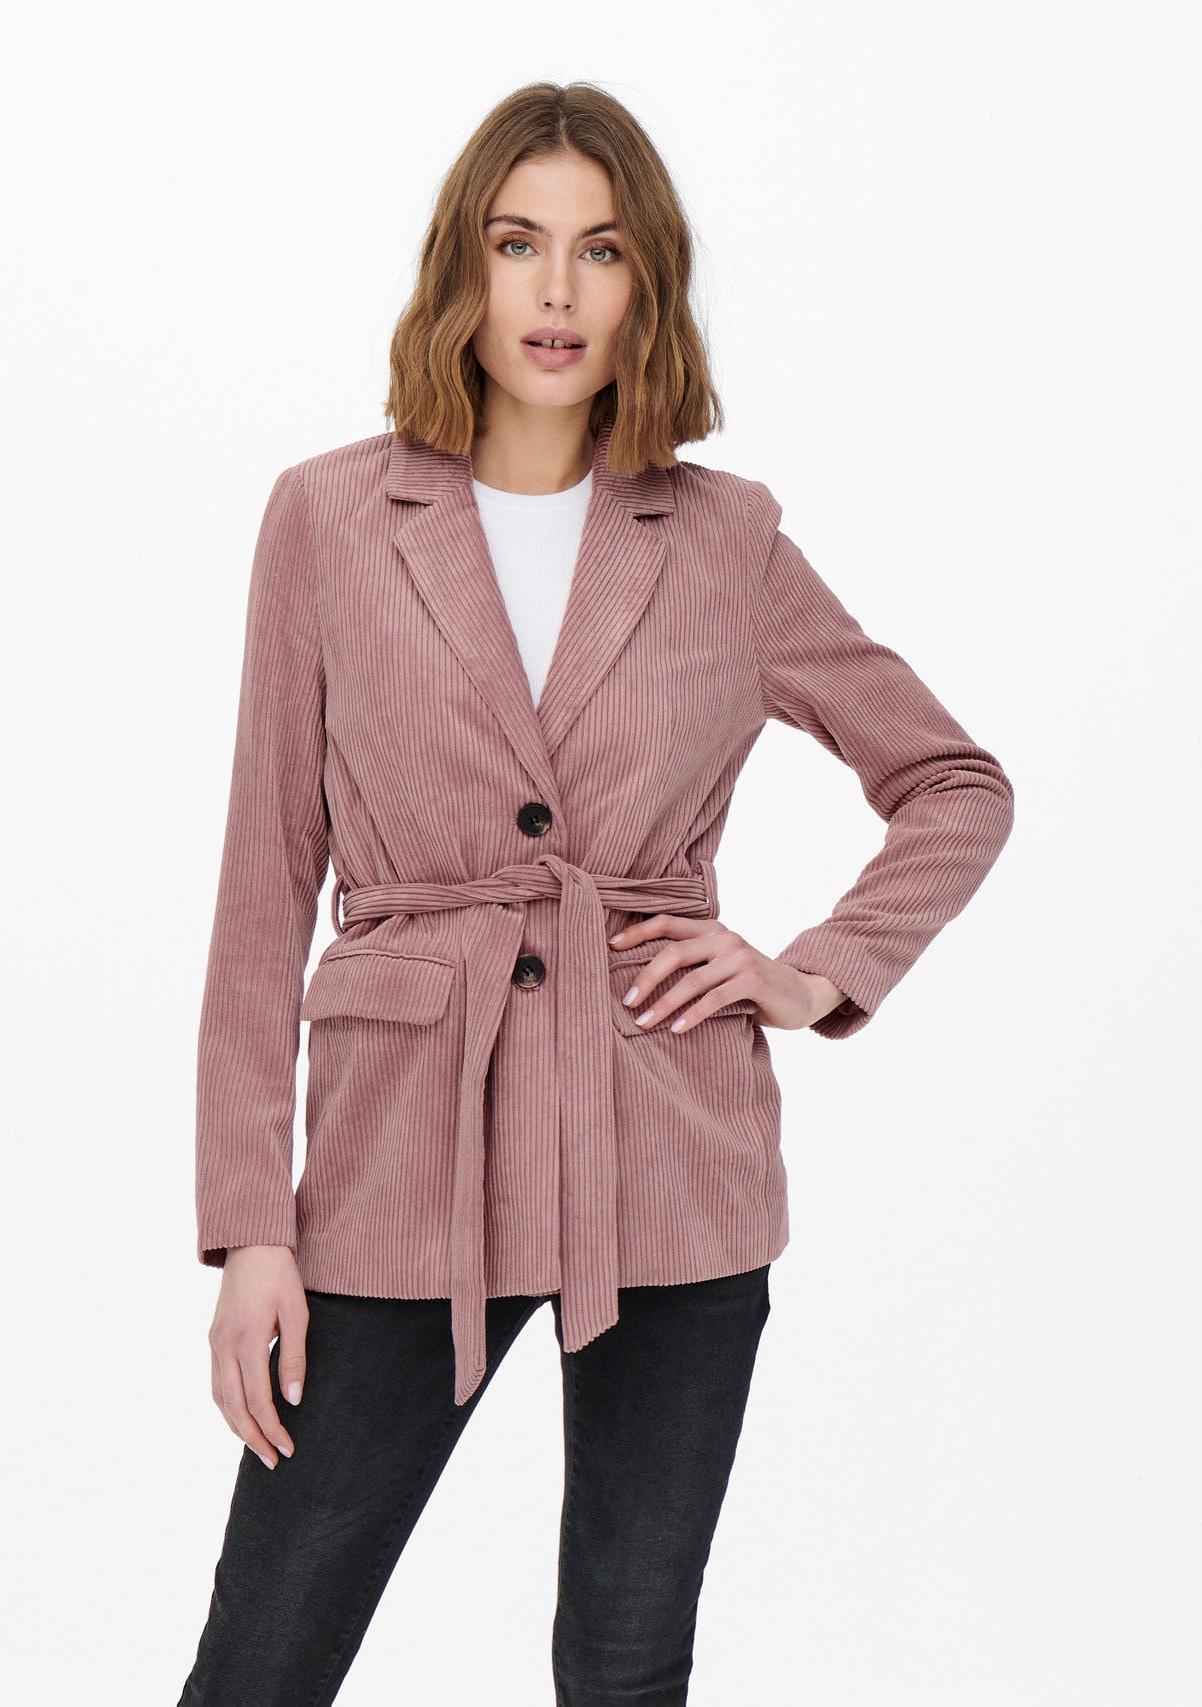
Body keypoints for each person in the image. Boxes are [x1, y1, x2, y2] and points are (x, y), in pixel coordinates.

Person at [176, 80, 1014, 1707]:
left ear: (648, 284)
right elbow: (263, 886)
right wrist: (249, 1230)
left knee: (627, 1667)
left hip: (669, 1148)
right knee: (263, 1659)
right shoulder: (330, 518)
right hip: (402, 1159)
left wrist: (812, 970)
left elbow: (954, 783)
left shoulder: (724, 537)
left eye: (602, 250)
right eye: (519, 244)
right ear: (463, 268)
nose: (557, 291)